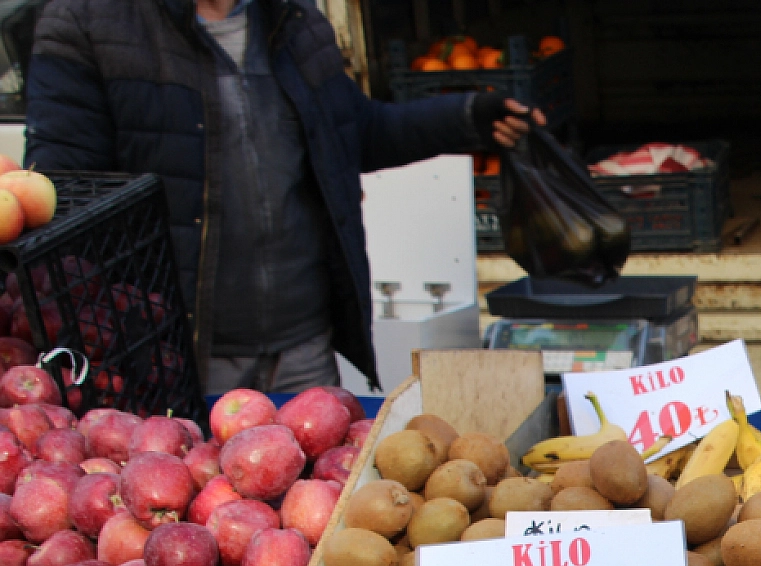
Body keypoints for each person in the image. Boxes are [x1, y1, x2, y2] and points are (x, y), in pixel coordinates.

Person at [22, 0, 544, 393]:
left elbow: (353, 132)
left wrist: (469, 118)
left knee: (314, 524)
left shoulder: (293, 20)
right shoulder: (88, 24)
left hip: (304, 352)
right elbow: (65, 198)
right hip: (177, 361)